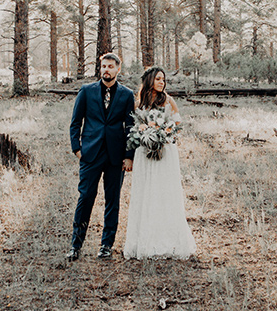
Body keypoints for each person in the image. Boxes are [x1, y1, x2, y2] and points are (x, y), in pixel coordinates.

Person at [67, 52, 135, 261]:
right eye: (103, 66)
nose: (106, 70)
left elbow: (131, 126)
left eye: (110, 66)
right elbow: (75, 121)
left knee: (112, 201)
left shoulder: (127, 94)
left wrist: (129, 155)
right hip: (90, 154)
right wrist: (77, 148)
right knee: (85, 197)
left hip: (116, 156)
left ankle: (106, 245)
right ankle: (75, 245)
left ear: (118, 69)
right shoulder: (87, 91)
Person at [123, 66, 196, 259]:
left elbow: (178, 124)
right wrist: (144, 133)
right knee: (147, 193)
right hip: (144, 152)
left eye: (163, 79)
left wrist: (165, 133)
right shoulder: (139, 103)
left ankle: (169, 241)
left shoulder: (168, 100)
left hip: (165, 152)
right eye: (158, 79)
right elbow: (135, 125)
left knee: (165, 193)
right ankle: (145, 241)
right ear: (149, 81)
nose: (162, 82)